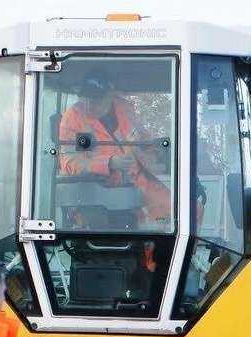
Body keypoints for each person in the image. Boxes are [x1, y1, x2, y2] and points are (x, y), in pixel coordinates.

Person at [57, 73, 172, 228]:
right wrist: (109, 163)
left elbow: (142, 139)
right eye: (86, 97)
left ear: (111, 94)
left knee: (187, 212)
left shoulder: (125, 109)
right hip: (96, 193)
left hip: (136, 183)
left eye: (97, 97)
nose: (90, 103)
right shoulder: (74, 118)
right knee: (122, 230)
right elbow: (68, 162)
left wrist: (159, 152)